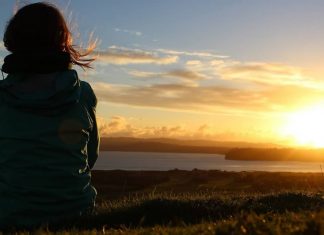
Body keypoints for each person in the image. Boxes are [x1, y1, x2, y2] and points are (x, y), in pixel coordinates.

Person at [0, 2, 99, 229]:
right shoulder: (82, 93)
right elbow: (89, 157)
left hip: (9, 215)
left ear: (13, 41)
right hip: (76, 213)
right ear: (62, 41)